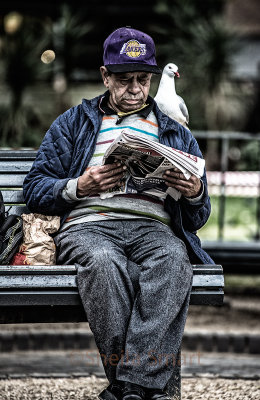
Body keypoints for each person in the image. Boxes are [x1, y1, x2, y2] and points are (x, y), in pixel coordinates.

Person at [23, 27, 213, 400]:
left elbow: (198, 215)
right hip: (90, 227)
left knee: (174, 260)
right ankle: (147, 386)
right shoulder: (74, 122)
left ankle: (127, 387)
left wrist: (194, 192)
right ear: (105, 76)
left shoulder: (174, 131)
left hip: (152, 228)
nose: (136, 89)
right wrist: (81, 185)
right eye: (124, 80)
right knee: (104, 263)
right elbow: (35, 188)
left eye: (144, 79)